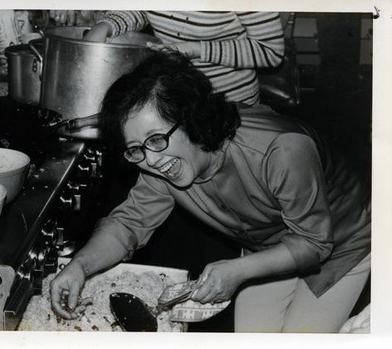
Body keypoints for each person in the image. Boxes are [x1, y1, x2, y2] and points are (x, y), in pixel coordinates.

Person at [50, 51, 370, 333]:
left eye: (157, 139)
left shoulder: (282, 149)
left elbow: (314, 243)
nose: (151, 160)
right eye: (136, 149)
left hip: (342, 242)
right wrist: (79, 266)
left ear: (191, 119)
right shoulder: (160, 162)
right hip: (268, 243)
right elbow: (128, 225)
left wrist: (237, 270)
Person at [83, 11, 285, 107]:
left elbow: (271, 52)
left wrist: (197, 49)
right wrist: (106, 25)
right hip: (174, 99)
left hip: (229, 104)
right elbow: (139, 9)